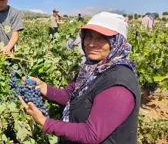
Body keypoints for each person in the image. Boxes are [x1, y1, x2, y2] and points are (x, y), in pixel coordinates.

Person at [19, 12, 140, 144]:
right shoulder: (92, 69)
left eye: (101, 38)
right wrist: (43, 87)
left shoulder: (119, 83)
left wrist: (45, 122)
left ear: (117, 42)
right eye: (89, 36)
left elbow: (91, 134)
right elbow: (70, 96)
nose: (92, 44)